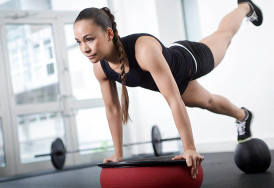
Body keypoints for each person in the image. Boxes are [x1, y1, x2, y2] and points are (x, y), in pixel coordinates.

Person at [73, 0, 263, 180]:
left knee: (224, 36)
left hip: (190, 60)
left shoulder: (143, 50)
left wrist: (189, 148)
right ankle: (243, 116)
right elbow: (113, 109)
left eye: (89, 39)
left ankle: (245, 6)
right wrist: (118, 154)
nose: (84, 48)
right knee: (208, 102)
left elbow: (173, 99)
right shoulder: (100, 68)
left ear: (108, 34)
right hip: (174, 82)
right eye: (79, 42)